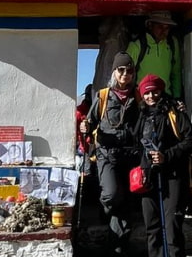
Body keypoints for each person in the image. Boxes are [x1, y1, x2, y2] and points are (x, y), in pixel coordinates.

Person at [80, 52, 141, 255]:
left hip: (130, 156)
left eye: (129, 70)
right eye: (121, 70)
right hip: (106, 154)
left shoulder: (139, 96)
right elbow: (90, 122)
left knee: (126, 202)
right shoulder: (103, 96)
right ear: (114, 72)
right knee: (112, 195)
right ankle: (104, 208)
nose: (125, 74)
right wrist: (85, 127)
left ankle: (118, 247)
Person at [135, 74, 192, 257]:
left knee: (172, 227)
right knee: (152, 226)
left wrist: (166, 156)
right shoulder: (141, 114)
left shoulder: (174, 112)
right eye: (147, 93)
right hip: (149, 176)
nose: (151, 96)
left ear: (161, 91)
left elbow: (191, 141)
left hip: (174, 175)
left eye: (155, 92)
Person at [126, 11, 183, 104]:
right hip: (143, 99)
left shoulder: (172, 43)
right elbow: (126, 74)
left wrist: (177, 98)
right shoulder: (137, 45)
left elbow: (176, 72)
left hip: (165, 98)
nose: (164, 31)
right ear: (150, 25)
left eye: (167, 28)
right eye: (160, 27)